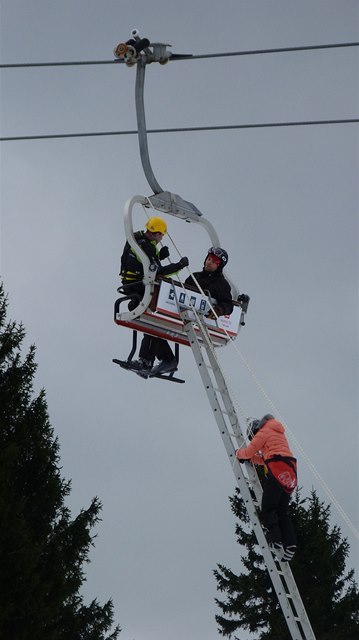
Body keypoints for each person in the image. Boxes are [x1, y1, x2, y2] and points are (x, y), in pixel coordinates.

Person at [120, 216, 189, 377]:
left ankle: (147, 359)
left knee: (147, 320)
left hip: (132, 286)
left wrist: (160, 257)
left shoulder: (138, 240)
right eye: (161, 236)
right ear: (157, 233)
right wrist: (179, 266)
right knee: (145, 316)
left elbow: (143, 263)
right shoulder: (148, 247)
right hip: (140, 287)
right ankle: (166, 358)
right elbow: (158, 272)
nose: (161, 239)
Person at [235, 414, 297, 562]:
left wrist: (239, 454)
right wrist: (250, 458)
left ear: (254, 431)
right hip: (291, 470)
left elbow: (250, 451)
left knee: (268, 510)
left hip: (277, 468)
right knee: (282, 511)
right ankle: (290, 544)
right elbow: (264, 457)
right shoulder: (277, 433)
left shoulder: (262, 433)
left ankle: (275, 539)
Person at [184, 247, 234, 318]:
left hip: (203, 319)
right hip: (185, 311)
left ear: (219, 266)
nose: (209, 262)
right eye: (209, 259)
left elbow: (228, 305)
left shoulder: (221, 284)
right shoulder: (195, 276)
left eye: (213, 262)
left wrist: (218, 310)